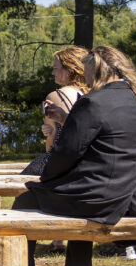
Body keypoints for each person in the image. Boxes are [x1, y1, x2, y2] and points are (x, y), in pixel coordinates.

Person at [15, 46, 136, 266]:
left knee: (23, 202)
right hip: (133, 197)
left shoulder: (92, 102)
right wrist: (68, 119)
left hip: (99, 199)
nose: (85, 77)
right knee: (78, 201)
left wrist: (47, 180)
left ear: (97, 70)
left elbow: (67, 152)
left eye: (86, 71)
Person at [23, 46, 90, 176]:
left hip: (60, 163)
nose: (53, 73)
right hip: (89, 163)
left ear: (69, 71)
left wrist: (48, 132)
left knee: (23, 184)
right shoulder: (94, 93)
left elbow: (51, 144)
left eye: (55, 68)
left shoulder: (55, 96)